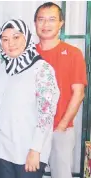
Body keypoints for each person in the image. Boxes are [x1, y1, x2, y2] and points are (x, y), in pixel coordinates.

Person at [0, 19, 60, 178]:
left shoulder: (42, 69)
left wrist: (36, 149)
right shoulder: (2, 69)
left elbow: (46, 114)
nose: (10, 44)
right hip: (3, 150)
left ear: (27, 38)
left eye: (16, 37)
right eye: (5, 39)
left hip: (28, 150)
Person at [34, 2, 88, 178]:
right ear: (35, 23)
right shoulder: (29, 54)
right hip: (32, 129)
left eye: (51, 19)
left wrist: (63, 124)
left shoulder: (73, 53)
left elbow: (79, 93)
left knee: (61, 174)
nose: (46, 24)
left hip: (60, 129)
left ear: (61, 23)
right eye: (41, 20)